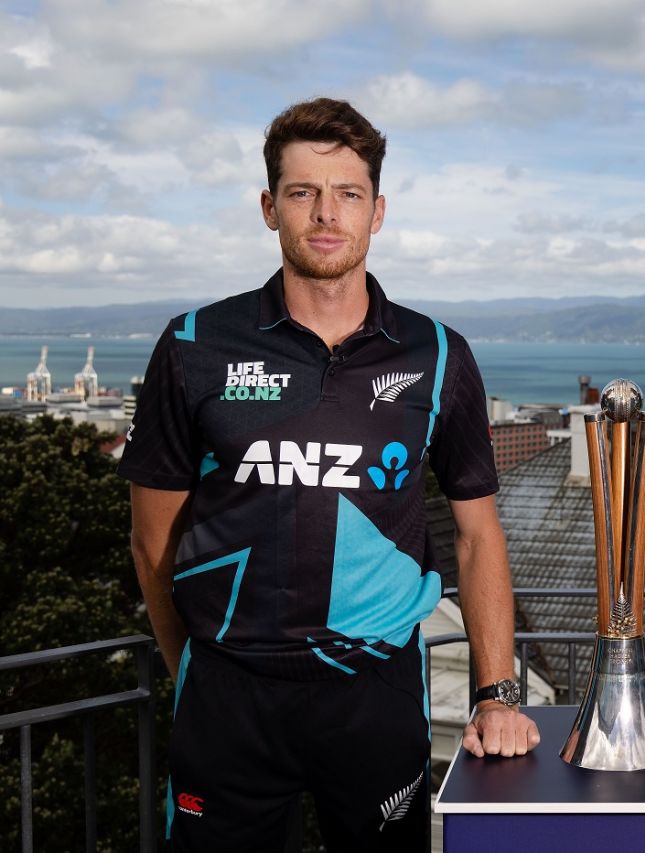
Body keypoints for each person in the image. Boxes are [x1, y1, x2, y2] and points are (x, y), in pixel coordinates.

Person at [120, 97, 539, 851]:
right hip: (227, 697)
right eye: (302, 191)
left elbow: (478, 537)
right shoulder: (193, 344)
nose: (325, 213)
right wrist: (193, 671)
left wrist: (496, 694)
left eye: (347, 193)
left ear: (377, 212)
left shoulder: (438, 355)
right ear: (268, 206)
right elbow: (153, 544)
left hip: (374, 694)